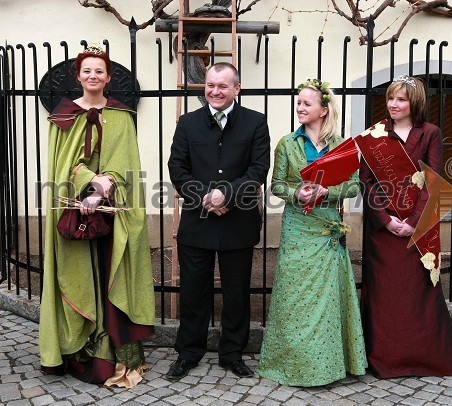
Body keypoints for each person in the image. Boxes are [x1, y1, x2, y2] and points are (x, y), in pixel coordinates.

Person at [39, 44, 155, 387]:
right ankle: (81, 351)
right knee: (79, 273)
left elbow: (127, 164)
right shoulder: (63, 116)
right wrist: (87, 184)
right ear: (78, 76)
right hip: (75, 213)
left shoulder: (121, 116)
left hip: (113, 213)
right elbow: (60, 167)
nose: (93, 76)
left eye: (99, 71)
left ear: (108, 78)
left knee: (111, 273)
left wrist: (107, 183)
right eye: (87, 70)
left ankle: (116, 352)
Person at [257, 79, 367, 387]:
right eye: (299, 102)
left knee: (327, 297)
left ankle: (327, 365)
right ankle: (289, 362)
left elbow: (355, 185)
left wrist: (326, 192)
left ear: (323, 109)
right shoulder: (286, 144)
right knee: (294, 296)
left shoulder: (342, 145)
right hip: (297, 227)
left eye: (306, 103)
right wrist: (297, 194)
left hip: (326, 227)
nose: (300, 107)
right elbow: (276, 184)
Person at [358, 75, 452, 378]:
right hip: (383, 232)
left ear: (414, 103)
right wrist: (386, 219)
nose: (393, 104)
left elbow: (433, 180)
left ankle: (423, 358)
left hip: (417, 231)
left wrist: (413, 222)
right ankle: (383, 360)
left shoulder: (431, 132)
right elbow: (365, 181)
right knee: (385, 295)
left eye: (401, 99)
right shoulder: (374, 135)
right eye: (391, 98)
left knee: (417, 294)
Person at [167, 62, 271, 381]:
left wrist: (225, 194)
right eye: (210, 85)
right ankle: (188, 353)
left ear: (236, 89)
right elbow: (177, 168)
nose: (215, 91)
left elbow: (258, 169)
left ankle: (232, 354)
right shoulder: (187, 123)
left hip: (238, 222)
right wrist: (205, 197)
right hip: (197, 223)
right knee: (193, 292)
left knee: (236, 293)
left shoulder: (255, 122)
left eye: (223, 86)